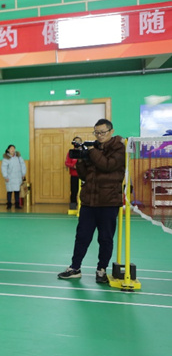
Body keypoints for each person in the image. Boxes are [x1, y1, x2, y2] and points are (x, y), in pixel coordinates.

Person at [58, 119, 125, 283]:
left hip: (108, 202)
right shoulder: (93, 148)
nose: (99, 135)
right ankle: (75, 268)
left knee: (105, 238)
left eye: (103, 132)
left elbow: (107, 165)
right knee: (82, 236)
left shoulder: (119, 148)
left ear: (111, 131)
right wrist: (81, 159)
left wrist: (91, 152)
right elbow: (83, 175)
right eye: (96, 132)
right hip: (89, 201)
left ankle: (101, 270)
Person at [1, 144, 26, 209]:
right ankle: (9, 204)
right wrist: (5, 176)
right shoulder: (6, 158)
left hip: (18, 177)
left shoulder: (18, 157)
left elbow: (22, 165)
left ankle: (17, 204)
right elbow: (4, 168)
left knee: (17, 191)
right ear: (8, 150)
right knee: (9, 191)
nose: (12, 150)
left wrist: (23, 174)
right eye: (11, 148)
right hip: (10, 178)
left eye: (13, 148)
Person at [65, 137, 81, 210]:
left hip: (83, 176)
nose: (77, 143)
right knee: (74, 191)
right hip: (74, 175)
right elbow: (67, 163)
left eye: (79, 141)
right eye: (76, 141)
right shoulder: (71, 153)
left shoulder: (84, 152)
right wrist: (73, 166)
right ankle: (73, 206)